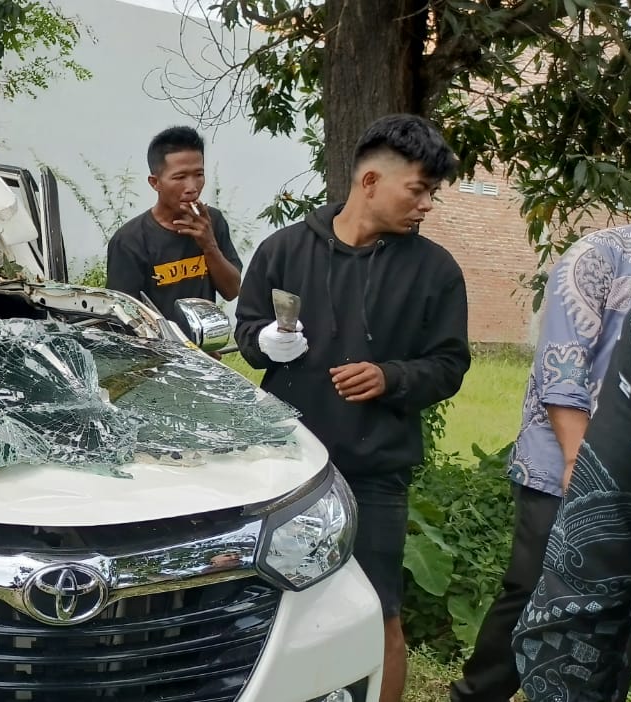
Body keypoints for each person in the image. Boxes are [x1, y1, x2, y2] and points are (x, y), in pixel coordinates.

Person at [234, 113, 471, 702]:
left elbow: (450, 364)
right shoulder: (285, 250)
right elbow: (245, 330)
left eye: (432, 194)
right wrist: (267, 340)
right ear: (369, 181)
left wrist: (390, 377)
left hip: (374, 472)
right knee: (273, 610)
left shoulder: (434, 270)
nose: (427, 206)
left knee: (378, 608)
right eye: (418, 190)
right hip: (284, 470)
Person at [449, 210, 631, 701]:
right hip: (565, 469)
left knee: (626, 609)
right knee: (540, 595)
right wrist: (581, 466)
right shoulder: (604, 255)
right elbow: (562, 368)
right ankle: (476, 696)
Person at [512, 271, 631, 700]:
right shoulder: (599, 262)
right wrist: (572, 458)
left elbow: (587, 580)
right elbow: (561, 370)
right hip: (576, 464)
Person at [106, 126, 242, 330]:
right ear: (155, 183)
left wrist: (209, 245)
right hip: (156, 355)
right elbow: (122, 320)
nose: (192, 187)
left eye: (198, 174)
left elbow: (232, 291)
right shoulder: (130, 240)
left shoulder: (212, 221)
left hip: (203, 353)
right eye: (179, 178)